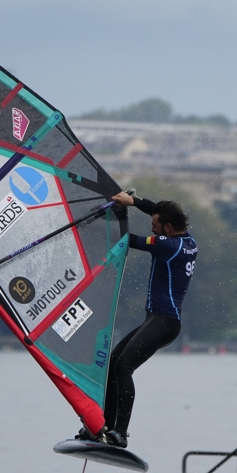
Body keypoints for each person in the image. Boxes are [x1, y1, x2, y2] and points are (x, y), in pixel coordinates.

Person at [79, 192, 197, 449]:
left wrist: (90, 223)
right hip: (157, 320)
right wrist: (134, 203)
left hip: (164, 322)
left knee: (124, 368)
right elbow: (159, 209)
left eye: (155, 225)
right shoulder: (187, 240)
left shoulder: (166, 246)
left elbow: (126, 239)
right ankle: (103, 427)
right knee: (112, 362)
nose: (151, 227)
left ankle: (120, 433)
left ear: (167, 228)